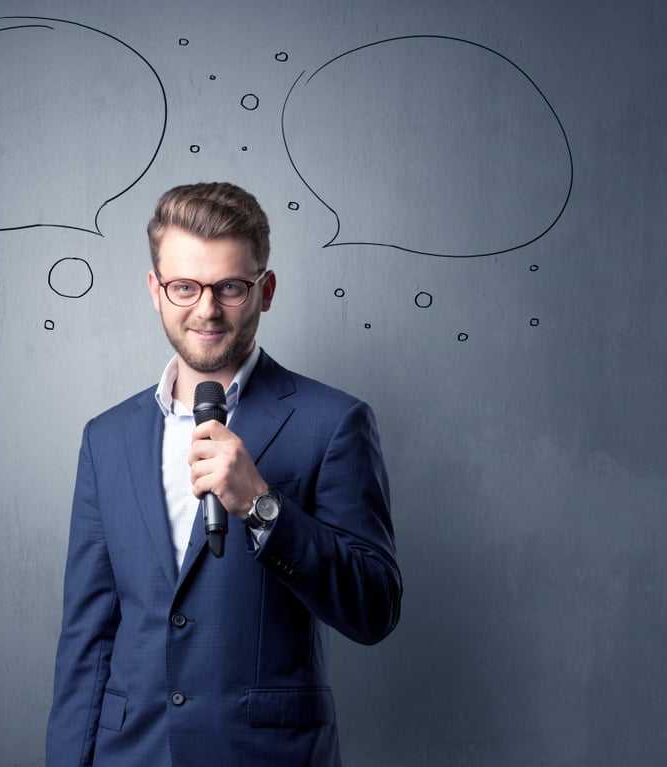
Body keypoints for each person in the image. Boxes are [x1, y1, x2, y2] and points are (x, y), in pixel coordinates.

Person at [46, 182, 402, 766]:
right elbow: (88, 637)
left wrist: (264, 506)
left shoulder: (334, 423)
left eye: (229, 287)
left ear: (265, 290)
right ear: (155, 291)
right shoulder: (105, 439)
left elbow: (375, 609)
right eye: (185, 286)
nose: (206, 309)